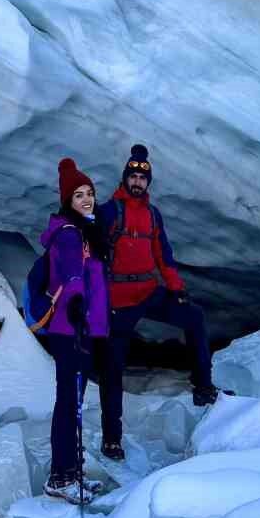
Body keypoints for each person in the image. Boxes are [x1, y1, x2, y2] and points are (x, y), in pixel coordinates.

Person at [97, 143, 217, 461]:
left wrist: (176, 288)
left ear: (148, 183)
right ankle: (112, 439)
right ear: (125, 179)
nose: (137, 182)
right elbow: (91, 255)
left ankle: (204, 387)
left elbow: (163, 256)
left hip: (149, 293)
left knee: (194, 317)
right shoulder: (109, 212)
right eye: (133, 177)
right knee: (112, 369)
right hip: (118, 302)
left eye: (142, 178)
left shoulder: (152, 215)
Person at [39, 157, 111, 503]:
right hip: (70, 330)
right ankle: (60, 478)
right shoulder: (69, 235)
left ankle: (70, 473)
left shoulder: (84, 231)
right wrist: (78, 306)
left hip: (79, 329)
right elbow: (70, 278)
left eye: (89, 193)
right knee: (68, 403)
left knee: (72, 401)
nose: (86, 199)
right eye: (78, 194)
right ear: (67, 200)